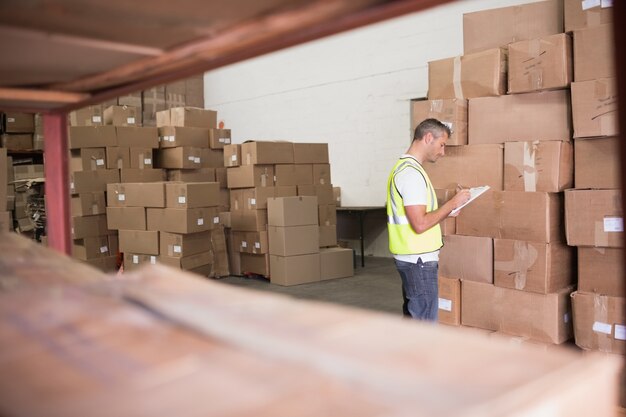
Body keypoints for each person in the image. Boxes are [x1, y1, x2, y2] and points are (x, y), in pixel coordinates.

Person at [386, 118, 471, 321]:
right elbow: (420, 223)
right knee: (424, 323)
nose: (443, 151)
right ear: (428, 137)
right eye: (442, 145)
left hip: (413, 257)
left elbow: (418, 216)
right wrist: (452, 203)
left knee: (415, 318)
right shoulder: (411, 174)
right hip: (419, 261)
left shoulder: (406, 169)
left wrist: (447, 211)